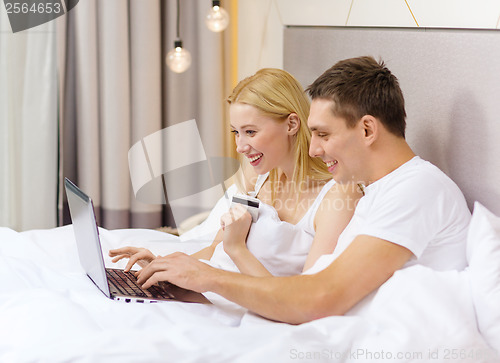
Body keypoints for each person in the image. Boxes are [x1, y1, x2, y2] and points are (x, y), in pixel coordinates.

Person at [133, 56, 471, 324]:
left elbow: (317, 298)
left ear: (367, 129)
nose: (313, 150)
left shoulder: (416, 189)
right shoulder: (379, 192)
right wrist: (188, 271)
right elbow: (314, 285)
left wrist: (208, 278)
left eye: (323, 135)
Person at [110, 68, 360, 278]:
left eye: (250, 132)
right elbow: (216, 250)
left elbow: (306, 296)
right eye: (236, 132)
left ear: (292, 124)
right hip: (212, 292)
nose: (240, 146)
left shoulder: (336, 197)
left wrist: (237, 250)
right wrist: (162, 265)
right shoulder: (258, 178)